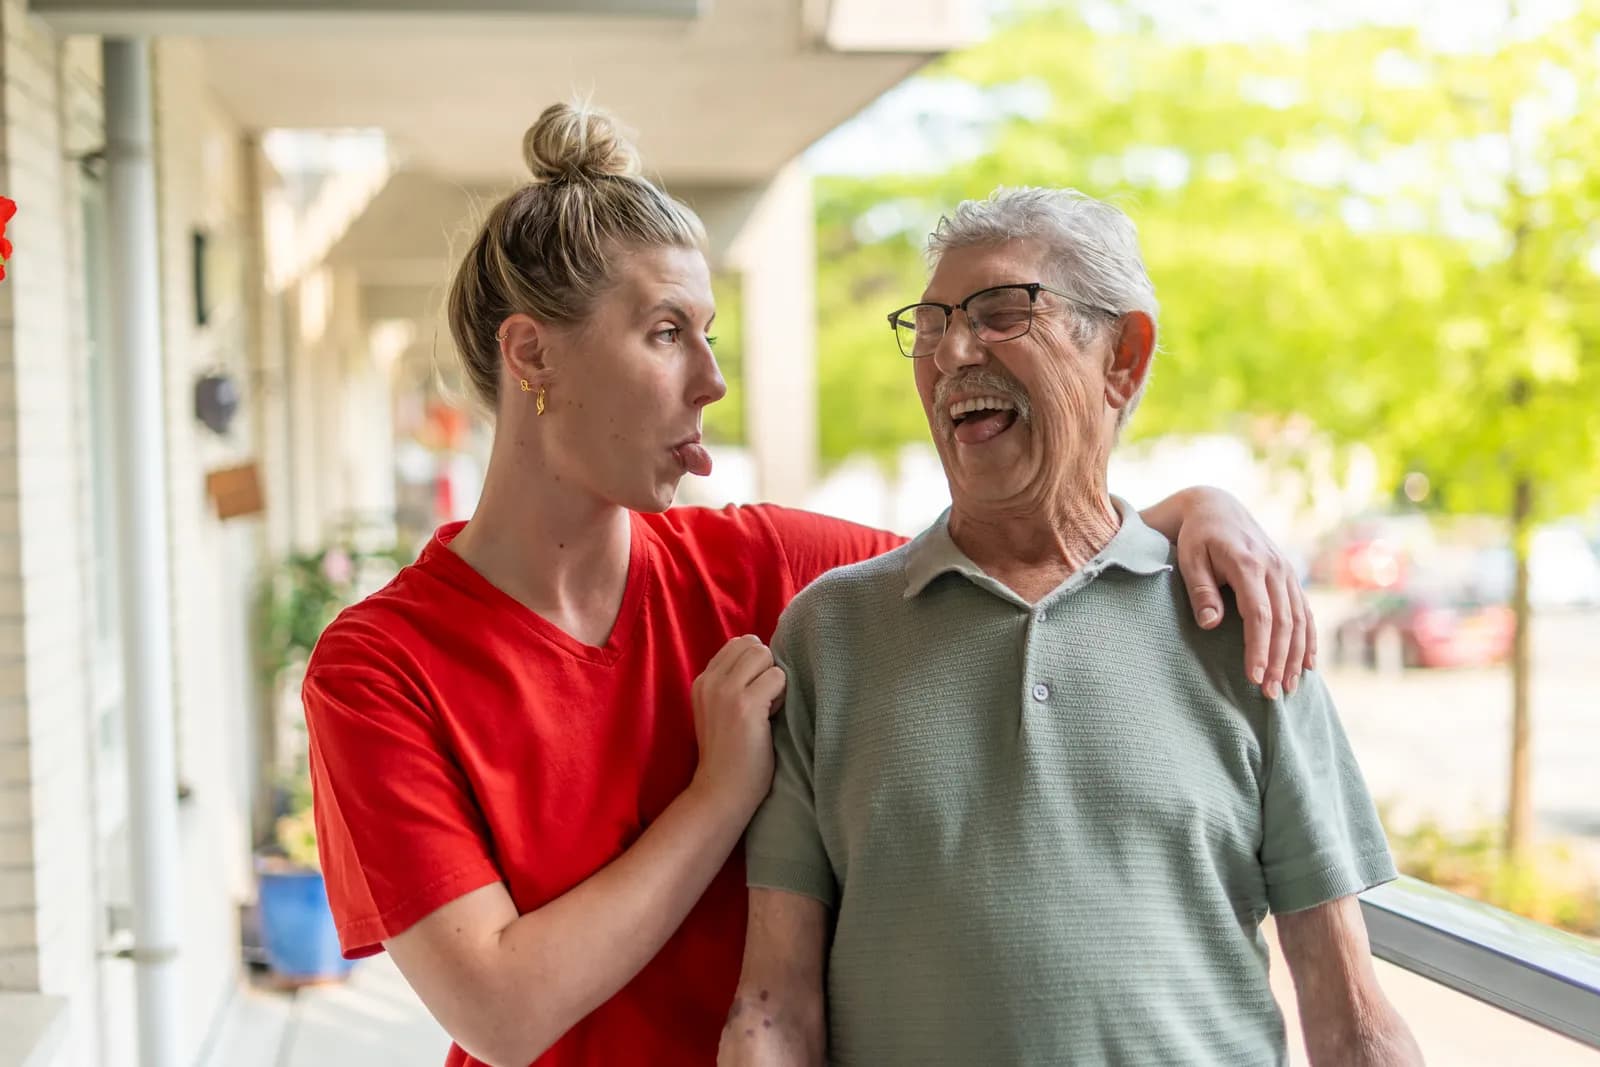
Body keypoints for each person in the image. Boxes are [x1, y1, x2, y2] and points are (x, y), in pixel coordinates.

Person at [302, 105, 1318, 1067]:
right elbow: (501, 1008)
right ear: (530, 353)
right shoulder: (379, 669)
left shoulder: (763, 567)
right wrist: (717, 793)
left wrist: (1189, 509)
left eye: (710, 332)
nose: (711, 378)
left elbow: (1023, 547)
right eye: (666, 333)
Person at [723, 188, 1420, 1066]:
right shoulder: (829, 634)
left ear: (1122, 358)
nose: (953, 352)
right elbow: (775, 1005)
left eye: (1002, 312)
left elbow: (1348, 1009)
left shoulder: (1241, 622)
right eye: (931, 324)